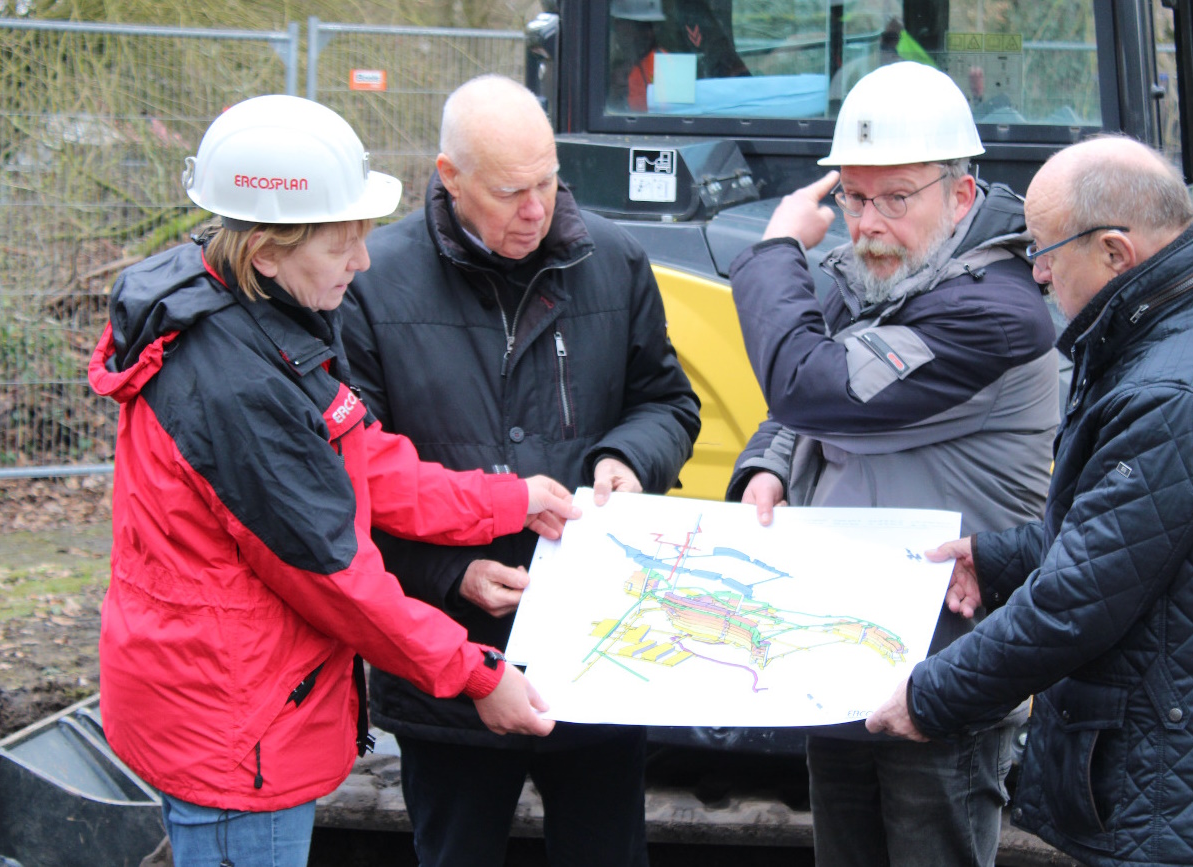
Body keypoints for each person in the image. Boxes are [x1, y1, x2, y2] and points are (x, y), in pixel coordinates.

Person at [87, 94, 580, 867]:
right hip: (233, 726)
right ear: (267, 250)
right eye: (341, 243)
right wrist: (477, 673)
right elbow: (334, 575)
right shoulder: (236, 386)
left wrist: (509, 498)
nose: (363, 261)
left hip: (241, 698)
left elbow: (360, 458)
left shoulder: (259, 313)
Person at [868, 135, 1193, 867]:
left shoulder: (1174, 390)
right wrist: (994, 557)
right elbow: (1147, 536)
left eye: (1045, 251)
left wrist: (928, 697)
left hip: (1182, 793)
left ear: (1115, 252)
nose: (1037, 272)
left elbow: (1077, 599)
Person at [340, 74, 700, 866]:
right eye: (509, 191)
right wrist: (449, 572)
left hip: (598, 649)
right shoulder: (370, 281)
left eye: (547, 182)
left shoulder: (612, 259)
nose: (536, 210)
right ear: (450, 176)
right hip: (447, 661)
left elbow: (667, 403)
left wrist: (625, 457)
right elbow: (351, 482)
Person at [724, 61, 1060, 867]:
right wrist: (769, 464)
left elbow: (814, 384)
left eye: (895, 198)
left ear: (961, 195)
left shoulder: (994, 311)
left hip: (943, 658)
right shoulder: (884, 271)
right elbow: (802, 401)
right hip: (837, 639)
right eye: (852, 197)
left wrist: (775, 251)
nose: (868, 223)